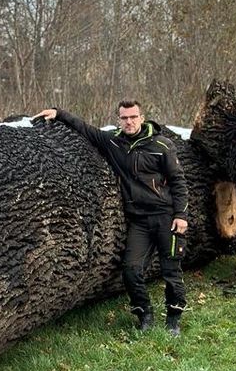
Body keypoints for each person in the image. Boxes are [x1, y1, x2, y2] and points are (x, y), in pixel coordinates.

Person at [33, 100, 189, 336]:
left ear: (142, 117)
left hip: (166, 217)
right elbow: (86, 129)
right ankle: (144, 314)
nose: (129, 122)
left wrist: (181, 215)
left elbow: (178, 181)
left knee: (171, 271)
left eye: (133, 117)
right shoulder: (114, 142)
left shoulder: (161, 145)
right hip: (139, 221)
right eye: (124, 118)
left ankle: (174, 319)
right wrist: (59, 114)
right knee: (131, 269)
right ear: (119, 119)